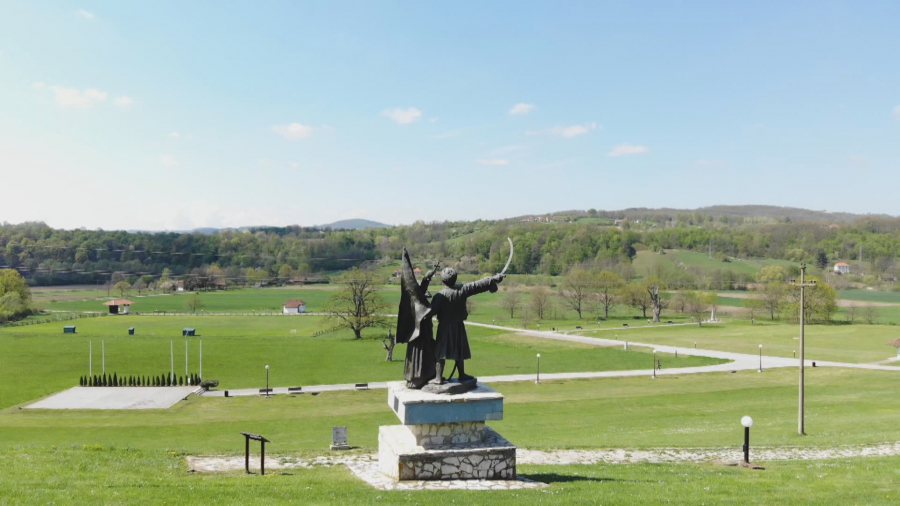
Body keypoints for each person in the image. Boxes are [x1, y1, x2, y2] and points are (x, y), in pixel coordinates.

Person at [429, 267, 504, 385]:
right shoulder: (462, 290)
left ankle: (439, 377)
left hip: (444, 327)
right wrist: (493, 279)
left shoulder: (439, 296)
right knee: (458, 350)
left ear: (443, 280)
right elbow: (478, 285)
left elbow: (431, 312)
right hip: (458, 326)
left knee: (441, 353)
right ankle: (461, 374)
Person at [395, 249, 440, 389]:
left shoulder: (417, 297)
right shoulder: (414, 299)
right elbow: (417, 292)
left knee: (429, 350)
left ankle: (429, 374)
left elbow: (420, 290)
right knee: (420, 353)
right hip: (419, 333)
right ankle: (418, 377)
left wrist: (428, 277)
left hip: (425, 332)